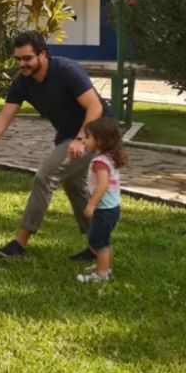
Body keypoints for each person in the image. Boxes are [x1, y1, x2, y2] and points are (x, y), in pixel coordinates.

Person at [0, 30, 112, 259]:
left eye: (27, 58)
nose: (22, 64)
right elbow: (5, 116)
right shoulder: (23, 83)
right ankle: (97, 244)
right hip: (69, 133)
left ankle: (19, 243)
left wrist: (80, 139)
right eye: (18, 59)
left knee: (45, 177)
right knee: (74, 186)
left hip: (98, 130)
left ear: (43, 55)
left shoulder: (66, 71)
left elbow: (94, 107)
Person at [76, 117, 125, 283]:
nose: (83, 140)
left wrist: (91, 205)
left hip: (104, 210)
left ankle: (101, 275)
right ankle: (104, 267)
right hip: (112, 208)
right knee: (104, 240)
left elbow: (102, 185)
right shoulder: (110, 158)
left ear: (101, 140)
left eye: (88, 137)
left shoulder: (100, 162)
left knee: (98, 242)